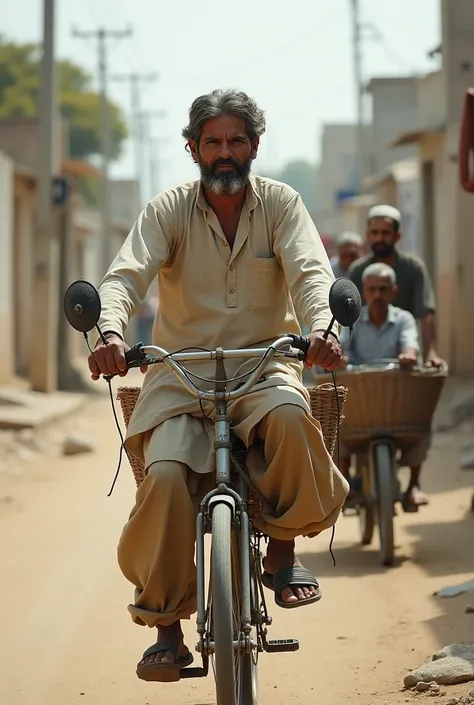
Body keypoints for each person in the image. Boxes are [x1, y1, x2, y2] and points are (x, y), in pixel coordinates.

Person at [88, 89, 348, 683]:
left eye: (236, 141)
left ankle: (281, 549)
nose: (225, 153)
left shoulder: (282, 204)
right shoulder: (168, 210)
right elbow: (125, 274)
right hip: (180, 375)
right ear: (193, 148)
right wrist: (106, 331)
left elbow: (312, 272)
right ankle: (166, 628)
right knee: (166, 479)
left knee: (289, 419)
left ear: (254, 146)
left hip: (265, 366)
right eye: (213, 142)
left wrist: (323, 330)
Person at [339, 263, 431, 512]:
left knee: (420, 427)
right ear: (364, 292)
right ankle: (346, 486)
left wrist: (409, 354)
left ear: (394, 291)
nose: (377, 295)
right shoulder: (351, 320)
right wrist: (341, 357)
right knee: (340, 430)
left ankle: (413, 485)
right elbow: (342, 346)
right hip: (360, 402)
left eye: (383, 289)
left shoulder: (404, 319)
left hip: (396, 403)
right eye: (372, 290)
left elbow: (411, 344)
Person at [348, 204, 443, 369]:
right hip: (363, 361)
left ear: (397, 236)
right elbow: (346, 319)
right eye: (375, 233)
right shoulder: (357, 271)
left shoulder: (413, 268)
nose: (379, 239)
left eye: (386, 233)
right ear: (367, 235)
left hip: (404, 355)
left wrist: (431, 352)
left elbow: (425, 313)